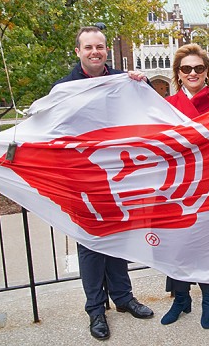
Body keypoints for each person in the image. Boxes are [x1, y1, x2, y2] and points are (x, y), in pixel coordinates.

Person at [53, 26, 154, 341]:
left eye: (99, 47)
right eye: (88, 47)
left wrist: (143, 83)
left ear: (106, 50)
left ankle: (123, 298)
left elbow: (149, 109)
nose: (94, 52)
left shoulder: (124, 81)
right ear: (78, 51)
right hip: (82, 177)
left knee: (119, 238)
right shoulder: (64, 88)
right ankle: (96, 309)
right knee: (90, 244)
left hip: (117, 175)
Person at [161, 44, 209, 329]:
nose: (193, 73)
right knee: (177, 245)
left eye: (198, 68)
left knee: (208, 245)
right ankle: (181, 299)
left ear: (207, 72)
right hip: (176, 186)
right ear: (178, 73)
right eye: (186, 68)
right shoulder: (166, 105)